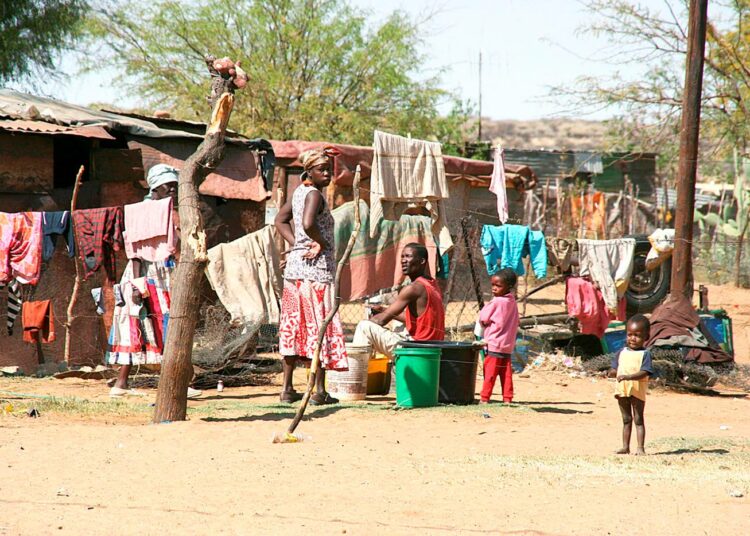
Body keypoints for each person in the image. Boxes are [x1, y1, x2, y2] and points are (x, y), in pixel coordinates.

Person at [107, 164, 201, 399]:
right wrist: (139, 286)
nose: (172, 189)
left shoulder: (167, 210)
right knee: (142, 323)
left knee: (162, 325)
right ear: (154, 187)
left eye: (174, 185)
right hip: (146, 274)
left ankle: (132, 383)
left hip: (163, 273)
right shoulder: (144, 211)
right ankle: (123, 383)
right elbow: (137, 252)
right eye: (167, 185)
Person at [275, 147, 348, 405]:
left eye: (329, 169)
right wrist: (320, 243)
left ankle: (286, 389)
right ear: (309, 172)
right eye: (322, 169)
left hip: (296, 272)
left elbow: (280, 221)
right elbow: (307, 223)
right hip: (316, 272)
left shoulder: (299, 193)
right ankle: (319, 391)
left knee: (294, 326)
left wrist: (297, 245)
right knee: (319, 327)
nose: (327, 173)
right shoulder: (314, 194)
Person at [352, 243, 445, 357]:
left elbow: (380, 321)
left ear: (422, 261)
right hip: (432, 348)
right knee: (397, 323)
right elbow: (416, 320)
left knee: (364, 327)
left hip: (416, 350)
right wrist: (382, 309)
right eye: (402, 257)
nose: (403, 261)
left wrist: (371, 321)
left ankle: (356, 372)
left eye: (408, 256)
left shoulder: (413, 288)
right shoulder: (432, 284)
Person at [609, 314, 653, 455]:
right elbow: (615, 368)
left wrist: (629, 377)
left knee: (638, 419)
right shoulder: (621, 353)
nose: (632, 339)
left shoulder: (645, 354)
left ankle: (640, 448)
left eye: (637, 335)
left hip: (637, 391)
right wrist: (611, 372)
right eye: (630, 335)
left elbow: (645, 372)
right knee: (626, 419)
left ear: (646, 337)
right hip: (622, 390)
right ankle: (625, 447)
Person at [478, 268, 519, 404]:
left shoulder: (496, 302)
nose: (494, 288)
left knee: (490, 373)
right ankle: (507, 398)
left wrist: (484, 323)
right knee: (506, 373)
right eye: (493, 285)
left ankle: (484, 398)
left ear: (509, 286)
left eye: (498, 286)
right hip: (507, 345)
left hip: (494, 343)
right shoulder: (512, 301)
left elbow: (484, 317)